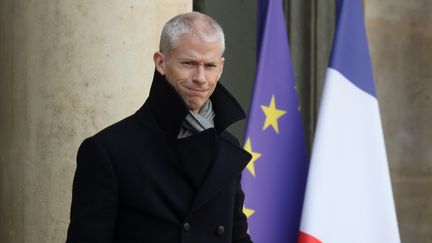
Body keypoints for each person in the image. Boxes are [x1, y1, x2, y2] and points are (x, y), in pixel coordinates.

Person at [66, 11, 253, 243]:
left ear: (221, 67)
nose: (201, 78)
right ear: (161, 62)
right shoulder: (108, 150)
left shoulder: (226, 146)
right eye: (189, 63)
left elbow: (237, 237)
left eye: (210, 65)